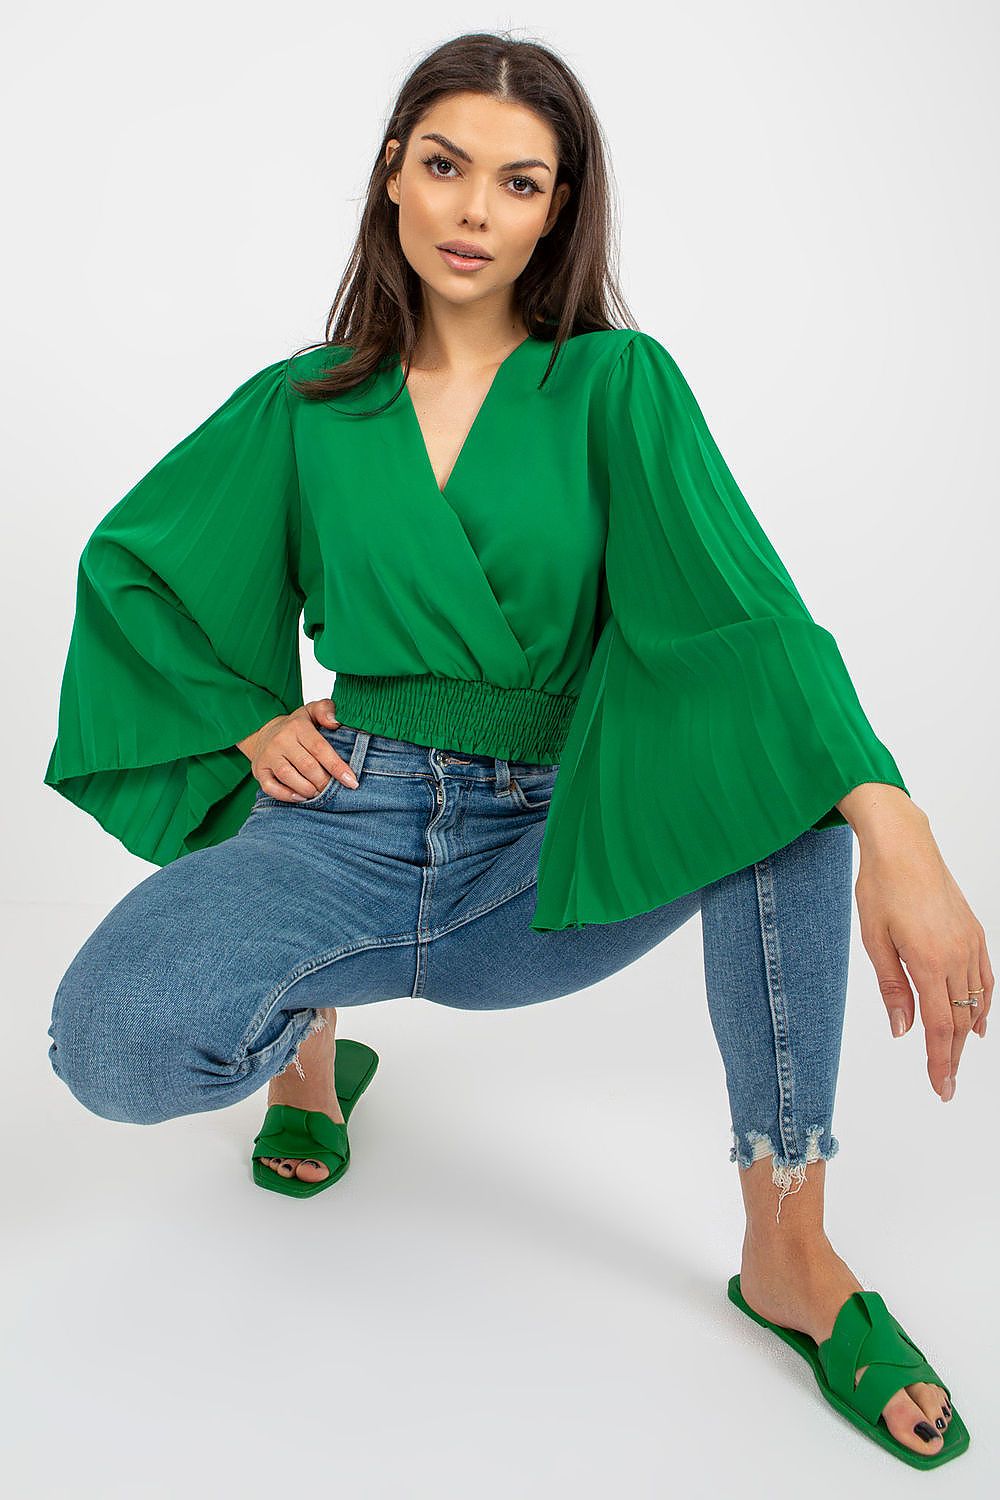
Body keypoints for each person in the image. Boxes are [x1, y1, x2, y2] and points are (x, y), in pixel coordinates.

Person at [42, 31, 988, 1468]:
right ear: (394, 174)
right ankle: (308, 1050)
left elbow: (746, 620)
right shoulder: (307, 401)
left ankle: (789, 1247)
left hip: (557, 837)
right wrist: (249, 715)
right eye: (446, 165)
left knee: (792, 803)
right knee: (106, 1046)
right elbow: (137, 567)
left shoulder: (616, 385)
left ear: (560, 209)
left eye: (521, 182)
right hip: (347, 818)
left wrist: (894, 821)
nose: (475, 210)